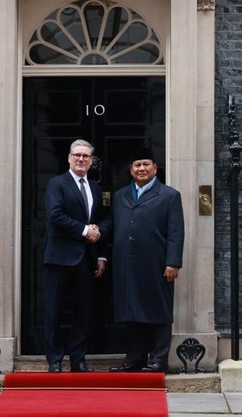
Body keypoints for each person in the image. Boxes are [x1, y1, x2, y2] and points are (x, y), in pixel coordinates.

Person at [107, 147, 184, 373]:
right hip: (127, 265)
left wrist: (173, 262)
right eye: (137, 165)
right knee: (132, 312)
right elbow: (112, 224)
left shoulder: (170, 195)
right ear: (131, 170)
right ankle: (135, 359)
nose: (141, 168)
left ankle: (159, 359)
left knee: (159, 311)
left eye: (145, 164)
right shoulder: (120, 196)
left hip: (157, 264)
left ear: (154, 168)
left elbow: (176, 231)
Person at [42, 139, 108, 373]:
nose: (81, 159)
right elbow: (55, 215)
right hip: (59, 258)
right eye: (77, 155)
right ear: (69, 158)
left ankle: (78, 359)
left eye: (86, 156)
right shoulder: (56, 184)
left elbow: (102, 220)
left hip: (86, 259)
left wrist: (101, 255)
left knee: (82, 312)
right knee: (55, 311)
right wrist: (84, 231)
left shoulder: (96, 188)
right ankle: (55, 360)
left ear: (91, 161)